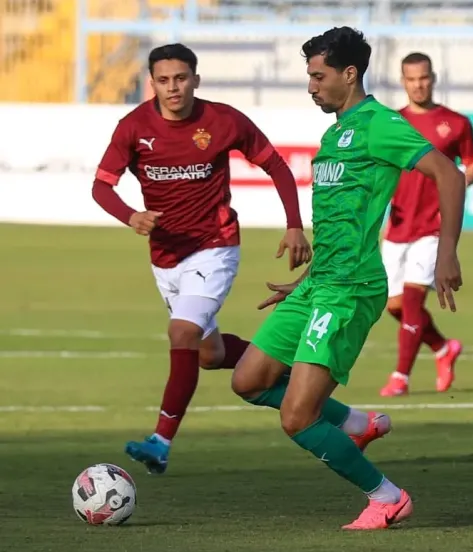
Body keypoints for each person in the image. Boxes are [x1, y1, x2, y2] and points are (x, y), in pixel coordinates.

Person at [229, 27, 466, 530]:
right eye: (309, 76)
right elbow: (340, 218)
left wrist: (447, 253)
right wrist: (306, 279)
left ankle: (387, 496)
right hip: (320, 283)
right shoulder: (336, 133)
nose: (311, 86)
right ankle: (356, 423)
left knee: (296, 417)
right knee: (249, 380)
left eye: (319, 76)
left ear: (349, 74)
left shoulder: (379, 124)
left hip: (351, 288)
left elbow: (450, 174)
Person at [92, 43, 310, 475]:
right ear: (151, 83)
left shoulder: (222, 120)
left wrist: (294, 224)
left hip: (215, 247)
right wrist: (131, 215)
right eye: (164, 80)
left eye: (181, 78)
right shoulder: (134, 128)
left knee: (181, 332)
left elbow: (278, 167)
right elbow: (101, 187)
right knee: (208, 354)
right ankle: (292, 371)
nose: (174, 88)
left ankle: (160, 441)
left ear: (196, 78)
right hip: (165, 258)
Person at [379, 52, 473, 397]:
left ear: (433, 78)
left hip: (433, 227)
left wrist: (455, 191)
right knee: (392, 305)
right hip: (398, 225)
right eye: (411, 79)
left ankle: (400, 377)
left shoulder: (455, 123)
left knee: (410, 301)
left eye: (424, 77)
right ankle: (442, 347)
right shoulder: (391, 122)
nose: (418, 84)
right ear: (403, 81)